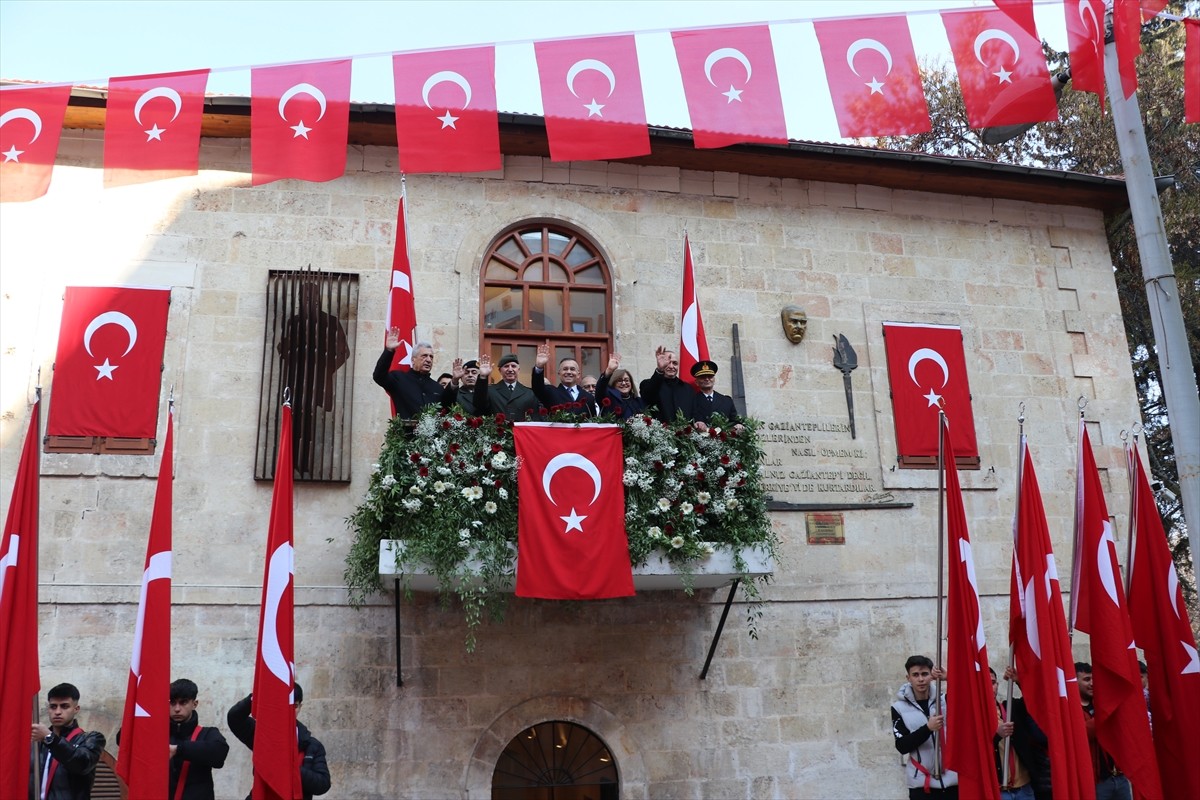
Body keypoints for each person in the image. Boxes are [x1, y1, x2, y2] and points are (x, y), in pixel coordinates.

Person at [277, 281, 350, 476]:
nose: (307, 301)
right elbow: (284, 348)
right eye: (304, 297)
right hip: (296, 382)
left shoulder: (332, 323)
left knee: (311, 423)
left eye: (311, 297)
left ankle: (306, 464)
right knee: (295, 421)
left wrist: (326, 370)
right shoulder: (293, 322)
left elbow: (344, 353)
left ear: (317, 299)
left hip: (318, 384)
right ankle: (292, 464)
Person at [227, 682, 330, 800]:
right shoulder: (262, 735)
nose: (289, 711)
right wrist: (257, 696)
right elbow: (235, 718)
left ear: (300, 707)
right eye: (285, 705)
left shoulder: (312, 745)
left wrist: (291, 768)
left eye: (294, 706)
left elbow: (323, 784)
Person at [891, 655, 958, 799]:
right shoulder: (898, 708)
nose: (921, 679)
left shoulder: (945, 700)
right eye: (915, 675)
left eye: (924, 674)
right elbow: (902, 746)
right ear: (908, 678)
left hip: (952, 782)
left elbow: (969, 699)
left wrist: (950, 679)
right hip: (922, 786)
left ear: (932, 676)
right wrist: (927, 728)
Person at [31, 682, 107, 800]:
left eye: (65, 706)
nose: (57, 712)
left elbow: (81, 764)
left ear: (76, 709)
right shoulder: (37, 742)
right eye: (53, 706)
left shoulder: (92, 738)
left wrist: (49, 738)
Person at [992, 667, 1051, 800]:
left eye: (993, 682)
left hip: (1024, 788)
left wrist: (1020, 682)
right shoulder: (973, 716)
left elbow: (1034, 702)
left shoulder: (1010, 707)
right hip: (998, 790)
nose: (991, 687)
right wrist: (996, 736)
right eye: (986, 682)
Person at [1076, 662, 1131, 800]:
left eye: (1094, 679)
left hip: (1119, 777)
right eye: (1087, 679)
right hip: (1097, 782)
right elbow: (1081, 733)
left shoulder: (1101, 703)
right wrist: (1106, 713)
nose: (1092, 684)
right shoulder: (1072, 708)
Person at [167, 678, 230, 800]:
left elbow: (219, 753)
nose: (177, 709)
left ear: (194, 704)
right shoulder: (158, 734)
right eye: (172, 703)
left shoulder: (208, 733)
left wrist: (178, 749)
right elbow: (123, 739)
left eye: (183, 702)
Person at [372, 330, 454, 420]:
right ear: (413, 359)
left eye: (431, 357)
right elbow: (379, 376)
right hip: (406, 433)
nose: (428, 360)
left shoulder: (437, 387)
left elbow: (448, 409)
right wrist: (389, 350)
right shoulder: (399, 379)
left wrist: (455, 381)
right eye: (424, 356)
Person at [532, 342, 595, 417]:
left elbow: (593, 422)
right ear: (559, 373)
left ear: (578, 374)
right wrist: (539, 366)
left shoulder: (588, 397)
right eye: (565, 369)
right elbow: (537, 387)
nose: (568, 372)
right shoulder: (550, 392)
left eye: (572, 369)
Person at [472, 352, 541, 421]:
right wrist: (483, 376)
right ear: (500, 371)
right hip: (498, 430)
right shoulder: (490, 391)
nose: (510, 370)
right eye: (506, 366)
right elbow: (479, 405)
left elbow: (535, 418)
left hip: (521, 431)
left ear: (518, 370)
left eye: (513, 366)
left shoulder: (529, 393)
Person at [639, 346, 695, 424]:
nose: (671, 366)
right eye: (667, 363)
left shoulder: (688, 389)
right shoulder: (647, 384)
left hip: (683, 434)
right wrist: (660, 370)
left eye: (675, 363)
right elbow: (648, 396)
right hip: (659, 434)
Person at [687, 360, 743, 431]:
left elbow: (734, 421)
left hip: (724, 440)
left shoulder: (727, 401)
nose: (707, 379)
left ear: (714, 379)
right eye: (703, 377)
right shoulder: (691, 401)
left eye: (710, 376)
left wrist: (738, 425)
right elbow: (688, 421)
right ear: (696, 382)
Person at [594, 354, 645, 420]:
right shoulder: (607, 397)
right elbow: (600, 389)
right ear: (613, 383)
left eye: (627, 380)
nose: (624, 383)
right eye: (619, 380)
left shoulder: (638, 401)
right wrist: (609, 371)